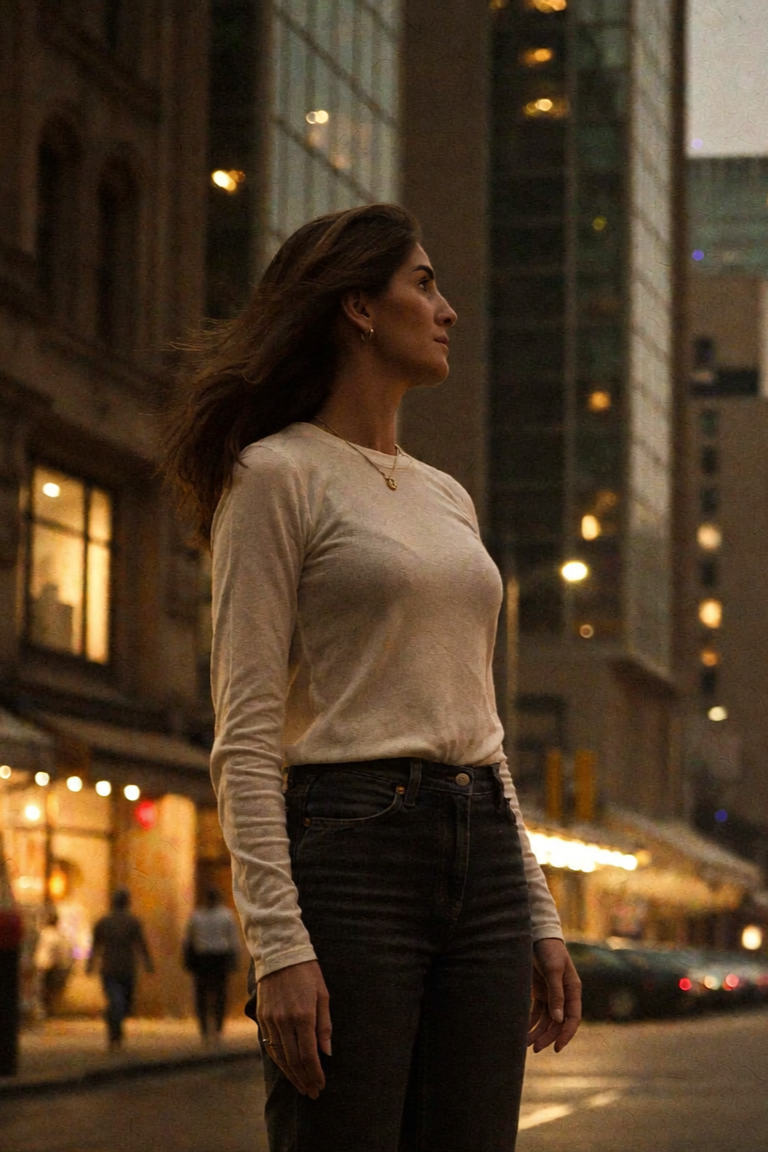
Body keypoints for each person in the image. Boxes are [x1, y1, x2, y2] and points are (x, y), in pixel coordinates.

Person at [163, 203, 582, 1151]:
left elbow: (478, 726)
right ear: (358, 306)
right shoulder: (275, 476)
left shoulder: (447, 495)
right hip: (351, 852)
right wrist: (278, 945)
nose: (447, 309)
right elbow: (245, 732)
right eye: (423, 284)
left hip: (483, 849)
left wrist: (538, 911)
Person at [87, 888, 153, 1050]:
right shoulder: (132, 922)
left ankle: (114, 1027)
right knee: (122, 1001)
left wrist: (90, 964)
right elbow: (141, 944)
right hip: (126, 967)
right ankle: (115, 1030)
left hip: (109, 966)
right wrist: (147, 962)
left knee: (115, 1000)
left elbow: (95, 946)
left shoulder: (104, 922)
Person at [183, 887, 240, 1041]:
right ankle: (217, 1028)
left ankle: (205, 1028)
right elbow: (233, 939)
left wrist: (187, 958)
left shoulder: (197, 916)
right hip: (219, 956)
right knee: (219, 993)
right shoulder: (226, 915)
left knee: (202, 993)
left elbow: (188, 939)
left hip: (203, 957)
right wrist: (234, 958)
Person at [33, 908, 72, 1018]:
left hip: (40, 963)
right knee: (50, 988)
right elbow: (61, 953)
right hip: (51, 965)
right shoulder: (57, 935)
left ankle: (42, 1010)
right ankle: (49, 1009)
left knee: (41, 988)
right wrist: (64, 964)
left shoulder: (42, 933)